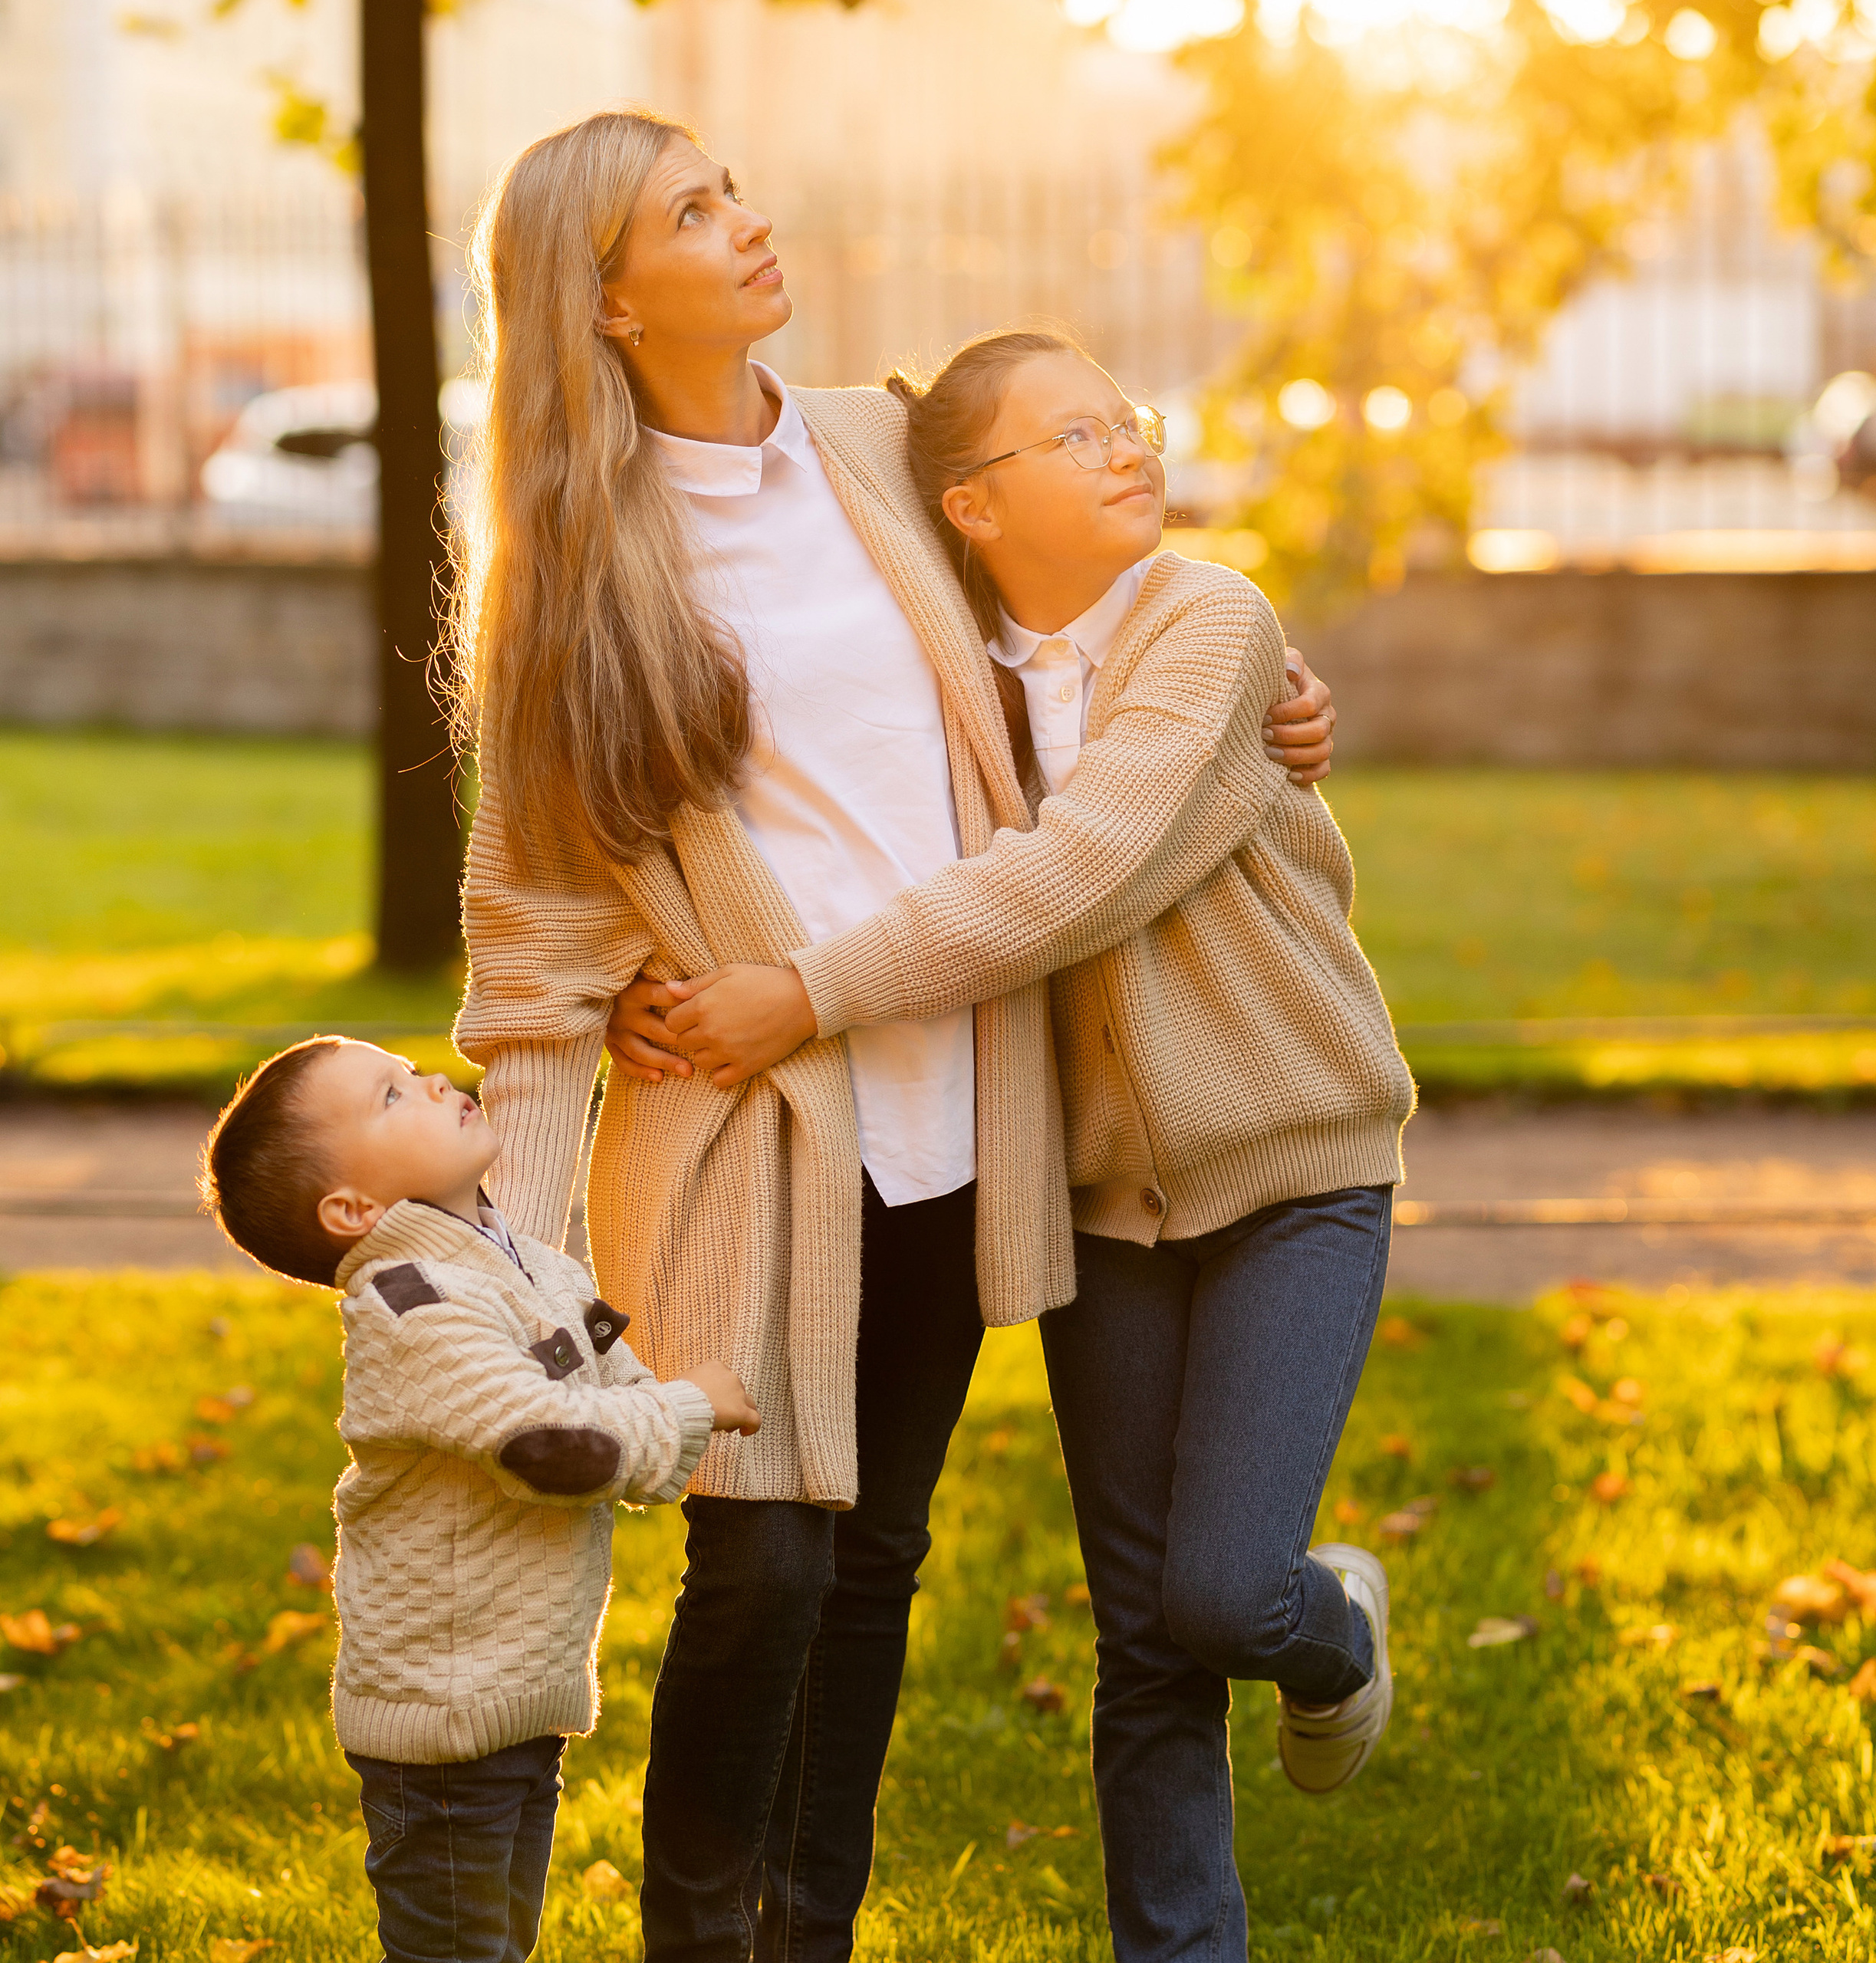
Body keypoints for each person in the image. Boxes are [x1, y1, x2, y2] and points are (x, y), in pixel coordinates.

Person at [449, 107, 1340, 1963]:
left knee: (871, 1561)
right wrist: (517, 1286)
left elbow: (1074, 615)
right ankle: (696, 1931)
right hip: (740, 1127)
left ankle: (810, 1928)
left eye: (729, 187)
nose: (747, 221)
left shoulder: (869, 443)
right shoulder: (576, 573)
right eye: (690, 215)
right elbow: (533, 975)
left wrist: (1269, 698)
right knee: (761, 1551)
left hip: (956, 1105)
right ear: (605, 304)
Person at [614, 329, 1416, 1963]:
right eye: (1072, 433)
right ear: (972, 507)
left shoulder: (1208, 618)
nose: (1127, 443)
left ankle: (1327, 1629)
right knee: (1143, 1643)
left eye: (1124, 414)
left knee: (1221, 1594)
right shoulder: (952, 669)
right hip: (1091, 1204)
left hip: (1292, 1171)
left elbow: (1075, 870)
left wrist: (803, 995)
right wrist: (643, 961)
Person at [198, 1036, 759, 1963]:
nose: (429, 1079)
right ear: (352, 1208)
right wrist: (689, 1404)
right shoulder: (413, 1306)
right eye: (389, 1096)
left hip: (515, 1695)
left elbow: (624, 1425)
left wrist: (666, 1419)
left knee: (501, 1939)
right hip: (445, 1719)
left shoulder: (531, 1267)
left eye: (409, 1072)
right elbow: (553, 1447)